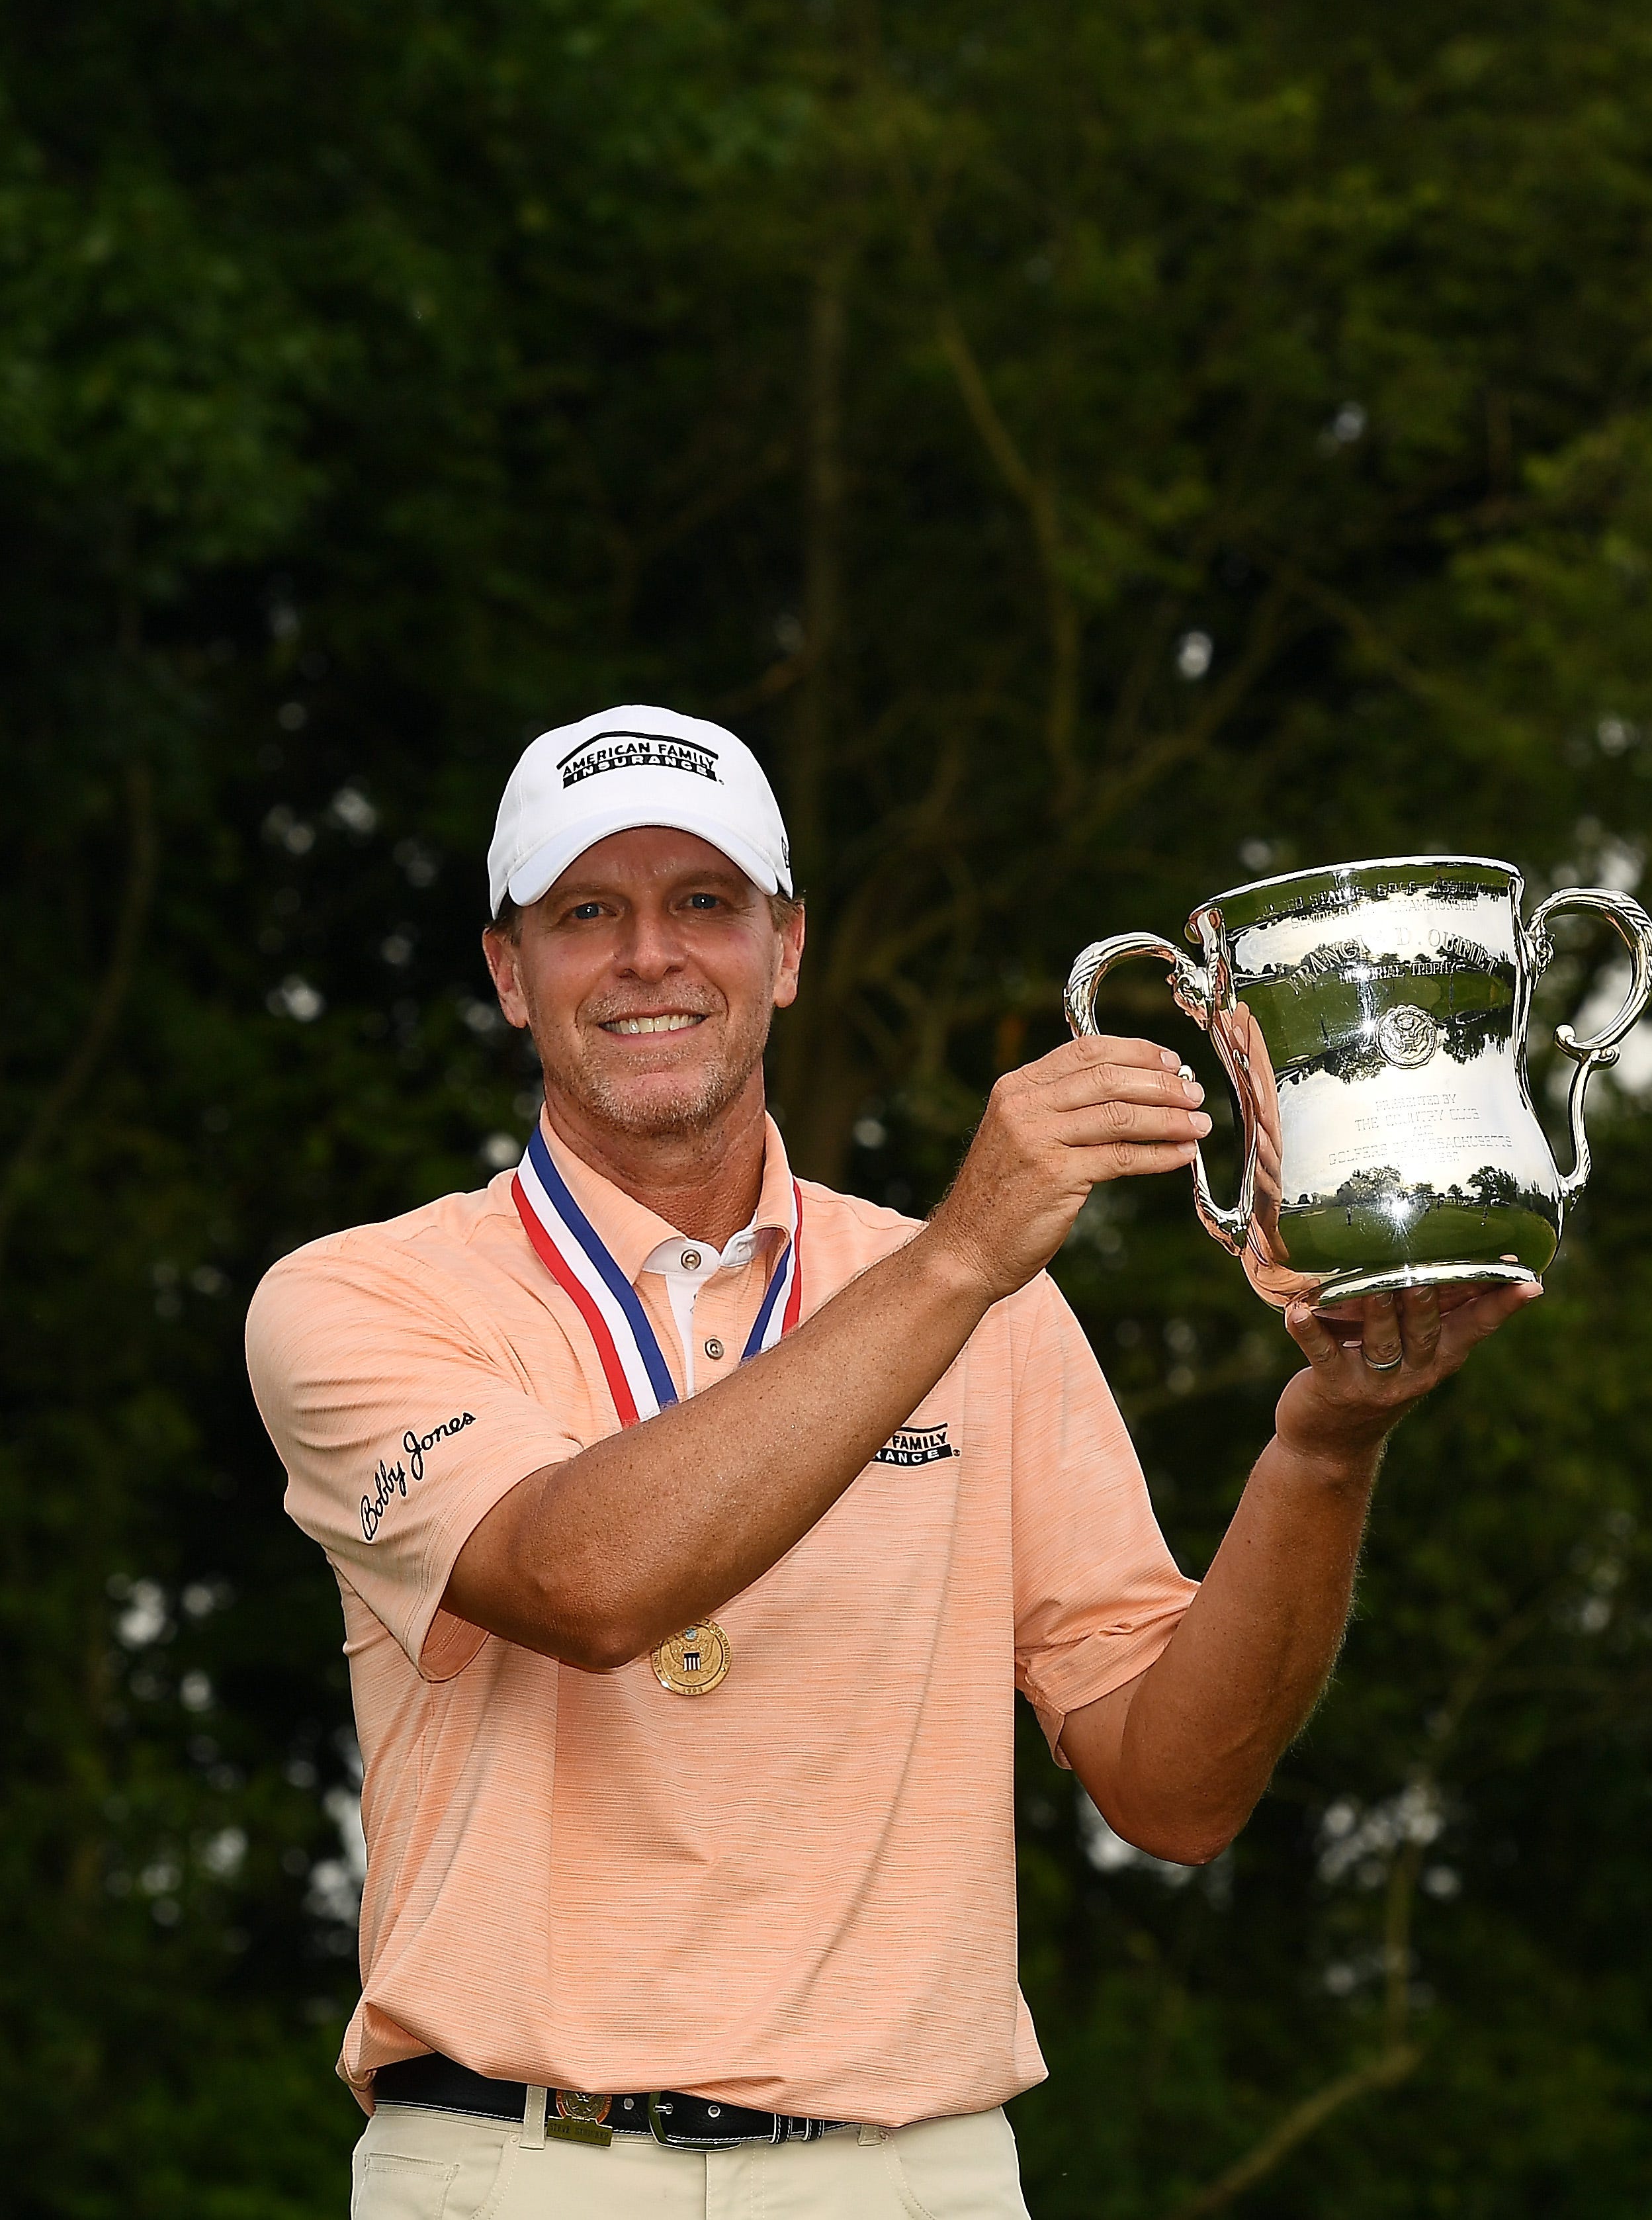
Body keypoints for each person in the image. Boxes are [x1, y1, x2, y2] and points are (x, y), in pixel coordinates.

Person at [247, 702, 1536, 2219]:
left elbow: (1174, 1790)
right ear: (506, 974)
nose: (650, 954)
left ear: (785, 951)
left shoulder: (987, 1301)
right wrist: (965, 1256)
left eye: (704, 904)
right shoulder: (360, 1297)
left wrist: (1324, 1452)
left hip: (910, 2177)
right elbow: (585, 1582)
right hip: (515, 2165)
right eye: (588, 911)